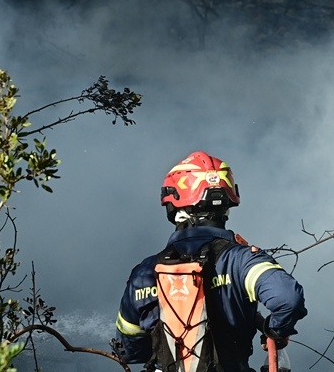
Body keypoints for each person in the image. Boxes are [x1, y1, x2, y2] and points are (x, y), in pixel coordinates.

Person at [114, 151, 307, 372]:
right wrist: (274, 330)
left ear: (173, 204)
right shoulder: (242, 260)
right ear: (227, 202)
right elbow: (288, 300)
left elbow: (129, 350)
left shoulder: (145, 272)